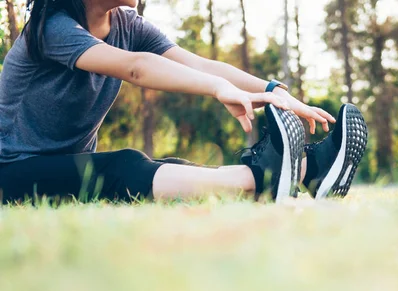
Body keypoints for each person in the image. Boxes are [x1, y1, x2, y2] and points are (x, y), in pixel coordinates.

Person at [0, 0, 368, 204]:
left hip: (60, 166)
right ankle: (264, 179)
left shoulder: (128, 24)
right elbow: (137, 68)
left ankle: (310, 170)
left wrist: (276, 93)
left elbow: (198, 63)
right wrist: (216, 89)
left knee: (169, 168)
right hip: (11, 170)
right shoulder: (50, 29)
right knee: (123, 166)